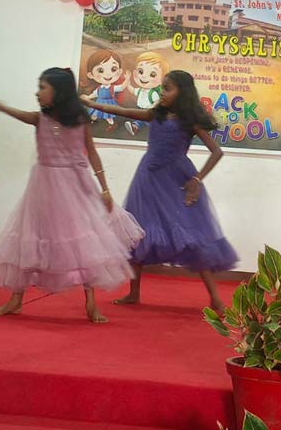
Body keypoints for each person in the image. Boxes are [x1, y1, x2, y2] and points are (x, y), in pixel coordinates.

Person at [0, 68, 142, 321]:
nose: (38, 92)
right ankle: (16, 299)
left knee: (82, 242)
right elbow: (20, 114)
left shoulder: (80, 120)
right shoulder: (39, 119)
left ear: (59, 91)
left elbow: (92, 152)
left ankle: (90, 303)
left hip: (73, 186)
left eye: (43, 87)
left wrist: (105, 189)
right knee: (30, 238)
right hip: (42, 187)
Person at [81, 70, 236, 312]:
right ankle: (134, 293)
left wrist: (197, 179)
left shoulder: (189, 121)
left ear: (182, 93)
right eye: (162, 87)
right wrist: (92, 104)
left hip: (177, 180)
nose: (161, 92)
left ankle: (215, 298)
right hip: (148, 178)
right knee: (139, 232)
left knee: (192, 237)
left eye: (167, 88)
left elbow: (217, 152)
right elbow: (121, 111)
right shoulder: (155, 115)